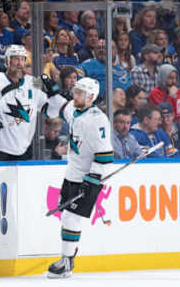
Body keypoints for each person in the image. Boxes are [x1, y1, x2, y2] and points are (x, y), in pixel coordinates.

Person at [42, 77, 114, 278]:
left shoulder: (97, 119)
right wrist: (53, 89)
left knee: (71, 218)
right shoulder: (75, 110)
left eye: (80, 93)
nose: (76, 95)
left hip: (86, 178)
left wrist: (92, 180)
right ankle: (68, 259)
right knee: (67, 217)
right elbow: (61, 105)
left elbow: (105, 156)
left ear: (91, 97)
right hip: (71, 175)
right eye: (75, 91)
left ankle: (66, 263)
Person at [0, 45, 50, 161]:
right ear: (7, 61)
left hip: (24, 148)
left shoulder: (33, 82)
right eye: (16, 59)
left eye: (23, 59)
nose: (20, 63)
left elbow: (49, 109)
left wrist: (54, 94)